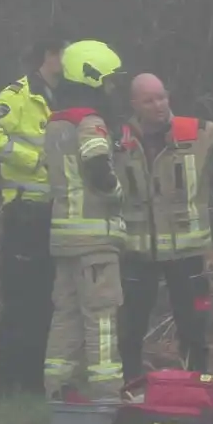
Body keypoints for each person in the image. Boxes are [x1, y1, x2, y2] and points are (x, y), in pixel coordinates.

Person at [115, 73, 213, 388]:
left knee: (194, 325)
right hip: (136, 251)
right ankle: (130, 386)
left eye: (162, 97)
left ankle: (197, 386)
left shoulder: (196, 132)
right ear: (134, 104)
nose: (158, 105)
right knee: (130, 327)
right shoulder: (117, 140)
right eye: (149, 100)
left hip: (187, 252)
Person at [0, 33, 69, 400]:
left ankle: (33, 380)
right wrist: (35, 160)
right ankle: (7, 381)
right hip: (25, 211)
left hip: (57, 213)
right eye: (67, 53)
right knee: (20, 299)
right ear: (51, 54)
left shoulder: (68, 96)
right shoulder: (18, 94)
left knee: (49, 299)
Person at [42, 39, 129, 402]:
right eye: (109, 81)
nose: (113, 89)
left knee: (66, 317)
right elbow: (98, 169)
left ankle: (56, 391)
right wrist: (120, 194)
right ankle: (108, 393)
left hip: (64, 238)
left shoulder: (56, 123)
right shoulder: (91, 123)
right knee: (102, 317)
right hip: (94, 240)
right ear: (92, 79)